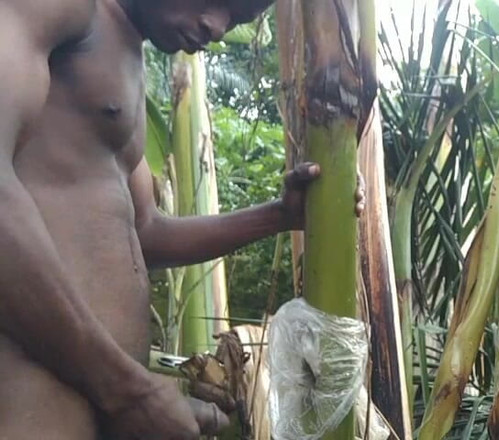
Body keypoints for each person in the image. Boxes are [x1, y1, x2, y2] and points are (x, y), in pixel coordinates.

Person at [0, 0, 361, 438]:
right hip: (33, 393)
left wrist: (279, 216)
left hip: (98, 400)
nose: (218, 27)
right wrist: (128, 393)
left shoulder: (125, 54)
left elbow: (144, 233)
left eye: (237, 19)